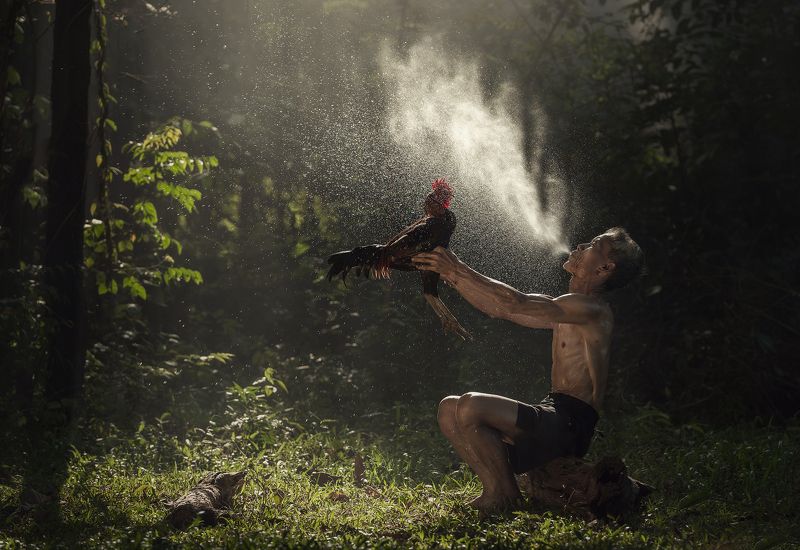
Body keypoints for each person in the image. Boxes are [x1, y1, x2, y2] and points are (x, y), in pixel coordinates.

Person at [411, 227, 643, 514]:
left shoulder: (593, 310)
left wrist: (457, 268)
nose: (581, 246)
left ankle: (504, 496)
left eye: (593, 245)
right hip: (554, 413)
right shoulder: (569, 308)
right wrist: (453, 276)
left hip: (570, 424)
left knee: (470, 405)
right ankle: (499, 489)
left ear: (604, 268)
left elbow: (515, 301)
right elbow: (502, 309)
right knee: (449, 409)